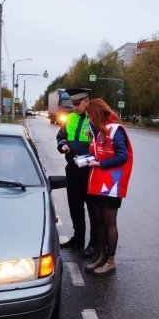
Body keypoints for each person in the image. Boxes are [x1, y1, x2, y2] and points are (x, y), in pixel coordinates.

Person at [84, 98, 133, 275]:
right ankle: (101, 257)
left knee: (109, 224)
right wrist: (88, 158)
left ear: (97, 113)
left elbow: (122, 156)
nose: (89, 119)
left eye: (90, 115)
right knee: (99, 223)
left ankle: (110, 260)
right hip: (98, 183)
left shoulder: (115, 130)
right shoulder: (99, 130)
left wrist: (99, 164)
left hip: (111, 185)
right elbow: (97, 152)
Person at [56, 89, 97, 257]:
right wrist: (63, 145)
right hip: (73, 170)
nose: (74, 108)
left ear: (86, 101)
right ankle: (78, 239)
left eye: (77, 104)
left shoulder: (95, 119)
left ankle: (94, 244)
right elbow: (60, 137)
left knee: (93, 209)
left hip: (91, 171)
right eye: (72, 104)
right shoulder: (70, 118)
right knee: (75, 206)